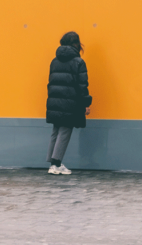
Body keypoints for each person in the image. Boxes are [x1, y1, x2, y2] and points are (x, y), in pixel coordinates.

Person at [45, 31, 92, 175]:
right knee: (65, 131)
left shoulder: (55, 61)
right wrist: (86, 103)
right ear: (77, 44)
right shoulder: (78, 62)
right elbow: (82, 86)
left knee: (56, 130)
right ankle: (56, 164)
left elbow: (51, 83)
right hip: (70, 103)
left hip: (55, 101)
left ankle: (52, 163)